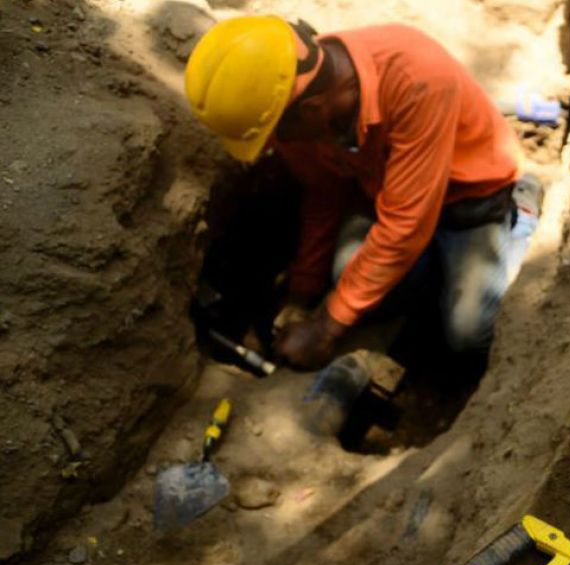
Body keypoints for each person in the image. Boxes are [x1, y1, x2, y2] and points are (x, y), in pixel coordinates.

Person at [184, 15, 540, 369]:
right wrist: (302, 292)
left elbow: (404, 228)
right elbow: (325, 194)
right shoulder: (297, 99)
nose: (271, 147)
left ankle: (521, 209)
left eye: (273, 136)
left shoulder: (416, 79)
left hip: (471, 202)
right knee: (348, 278)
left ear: (310, 111)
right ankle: (431, 285)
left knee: (469, 335)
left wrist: (325, 328)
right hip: (389, 197)